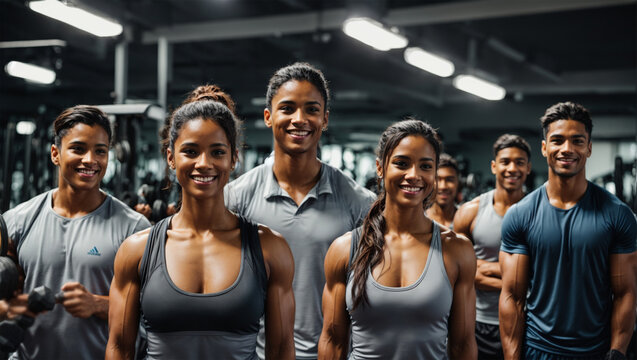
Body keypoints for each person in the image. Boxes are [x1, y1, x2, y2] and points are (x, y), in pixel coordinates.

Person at [106, 86, 295, 360]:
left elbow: (281, 350)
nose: (203, 163)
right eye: (191, 151)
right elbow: (119, 348)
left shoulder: (270, 248)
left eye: (217, 152)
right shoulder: (136, 251)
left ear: (234, 159)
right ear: (171, 157)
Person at [225, 62, 376, 359]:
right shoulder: (235, 199)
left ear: (325, 119)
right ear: (268, 116)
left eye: (311, 109)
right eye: (288, 108)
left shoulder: (360, 204)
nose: (300, 119)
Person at [318, 119, 477, 359]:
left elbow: (463, 344)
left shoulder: (456, 249)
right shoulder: (345, 249)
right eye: (402, 164)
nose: (413, 175)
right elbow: (332, 341)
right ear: (380, 168)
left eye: (425, 166)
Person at [1, 106, 150, 359]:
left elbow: (154, 313)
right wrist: (9, 308)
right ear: (55, 154)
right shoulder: (17, 221)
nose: (90, 160)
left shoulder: (134, 228)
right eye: (78, 149)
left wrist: (98, 304)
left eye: (100, 151)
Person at [499, 102, 637, 360]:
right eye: (557, 140)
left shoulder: (618, 215)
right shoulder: (520, 215)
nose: (567, 149)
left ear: (589, 147)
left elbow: (626, 293)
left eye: (577, 141)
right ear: (544, 148)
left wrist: (616, 352)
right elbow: (512, 297)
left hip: (596, 352)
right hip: (538, 350)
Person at [453, 134, 531, 360]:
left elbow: (542, 271)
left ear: (528, 167)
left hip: (526, 321)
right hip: (480, 322)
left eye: (520, 162)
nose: (512, 168)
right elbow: (461, 273)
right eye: (505, 161)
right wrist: (519, 280)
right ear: (494, 166)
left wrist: (485, 268)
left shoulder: (537, 212)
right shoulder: (470, 212)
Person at [426, 153, 461, 229]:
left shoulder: (467, 218)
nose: (443, 186)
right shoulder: (419, 219)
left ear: (458, 182)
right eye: (437, 179)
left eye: (450, 180)